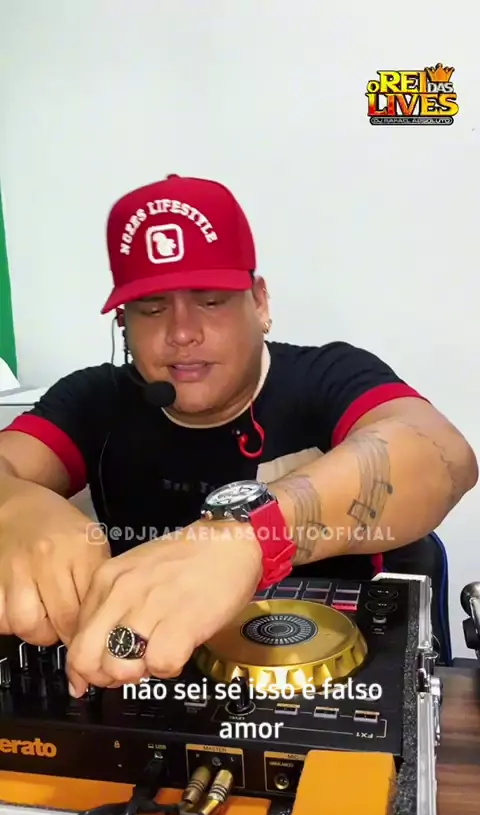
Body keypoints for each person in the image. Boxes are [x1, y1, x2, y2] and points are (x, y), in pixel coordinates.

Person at [0, 174, 477, 697]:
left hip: (334, 685)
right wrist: (13, 503)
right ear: (124, 325)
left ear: (260, 303)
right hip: (146, 683)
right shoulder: (93, 398)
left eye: (210, 301)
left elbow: (441, 453)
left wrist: (252, 536)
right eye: (152, 309)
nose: (182, 333)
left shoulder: (326, 376)